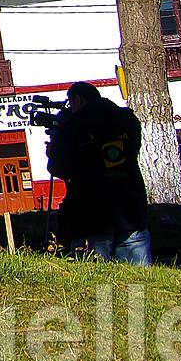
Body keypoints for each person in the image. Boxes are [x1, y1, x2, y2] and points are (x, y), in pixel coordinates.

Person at [47, 80, 152, 265]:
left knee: (102, 282)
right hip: (131, 206)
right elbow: (132, 150)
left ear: (78, 99)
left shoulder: (73, 125)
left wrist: (56, 142)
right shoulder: (128, 120)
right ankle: (137, 296)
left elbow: (58, 168)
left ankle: (106, 296)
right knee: (137, 280)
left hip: (93, 212)